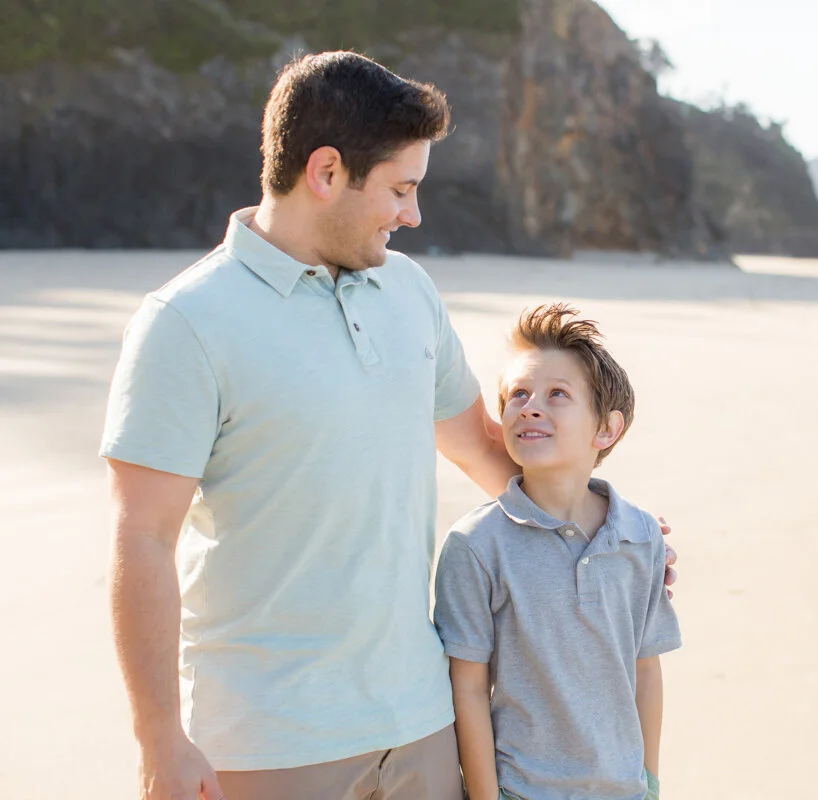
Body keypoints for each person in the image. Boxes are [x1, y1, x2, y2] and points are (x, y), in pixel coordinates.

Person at [100, 51, 678, 800]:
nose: (413, 214)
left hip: (422, 722)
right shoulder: (185, 323)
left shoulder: (407, 291)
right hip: (270, 740)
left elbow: (485, 449)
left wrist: (608, 535)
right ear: (327, 172)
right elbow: (141, 538)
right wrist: (158, 739)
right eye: (401, 189)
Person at [434, 304, 682, 800]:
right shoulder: (476, 544)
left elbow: (646, 670)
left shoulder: (639, 536)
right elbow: (467, 688)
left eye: (557, 395)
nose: (530, 407)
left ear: (606, 429)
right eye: (518, 395)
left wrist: (649, 782)